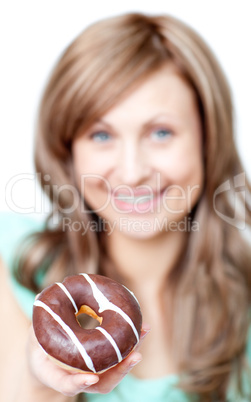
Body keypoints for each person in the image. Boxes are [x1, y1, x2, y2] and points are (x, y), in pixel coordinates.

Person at [1, 12, 251, 402]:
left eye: (161, 132)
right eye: (101, 134)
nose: (133, 173)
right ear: (69, 153)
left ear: (208, 140)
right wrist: (39, 381)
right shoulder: (8, 258)